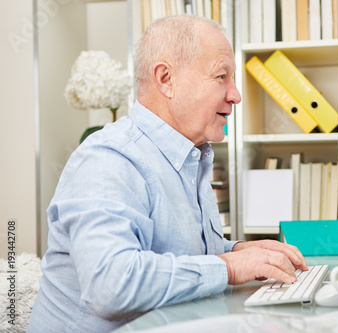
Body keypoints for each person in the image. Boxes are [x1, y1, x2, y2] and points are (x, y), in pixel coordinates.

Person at [27, 14, 307, 332]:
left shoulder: (191, 156)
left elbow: (178, 251)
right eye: (221, 77)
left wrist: (238, 251)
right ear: (165, 79)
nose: (235, 95)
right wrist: (229, 267)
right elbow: (112, 283)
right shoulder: (109, 159)